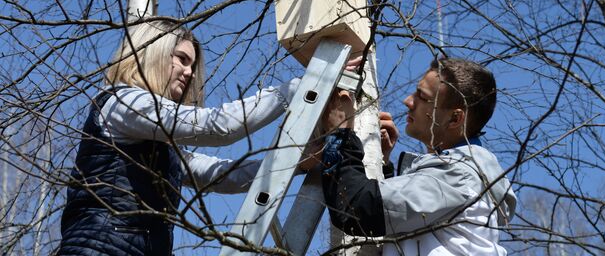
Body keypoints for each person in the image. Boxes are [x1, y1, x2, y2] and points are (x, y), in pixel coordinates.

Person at [57, 20, 300, 256]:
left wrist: (295, 161)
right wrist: (297, 89)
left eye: (192, 65)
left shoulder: (160, 146)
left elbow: (220, 175)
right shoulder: (122, 103)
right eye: (182, 60)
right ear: (153, 54)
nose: (190, 73)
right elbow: (219, 127)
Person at [320, 58, 517, 255]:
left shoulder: (459, 177)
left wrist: (340, 134)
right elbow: (400, 222)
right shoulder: (463, 181)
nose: (408, 101)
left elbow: (358, 208)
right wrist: (384, 168)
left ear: (455, 118)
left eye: (422, 97)